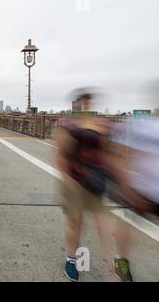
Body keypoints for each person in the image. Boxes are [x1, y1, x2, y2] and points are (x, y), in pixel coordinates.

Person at [54, 89, 133, 282]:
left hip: (95, 181)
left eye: (88, 101)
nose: (85, 104)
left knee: (105, 223)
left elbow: (108, 153)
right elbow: (61, 154)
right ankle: (71, 260)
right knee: (76, 224)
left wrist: (121, 179)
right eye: (81, 101)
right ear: (76, 104)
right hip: (74, 180)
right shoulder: (67, 124)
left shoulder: (101, 125)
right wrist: (65, 179)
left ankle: (117, 263)